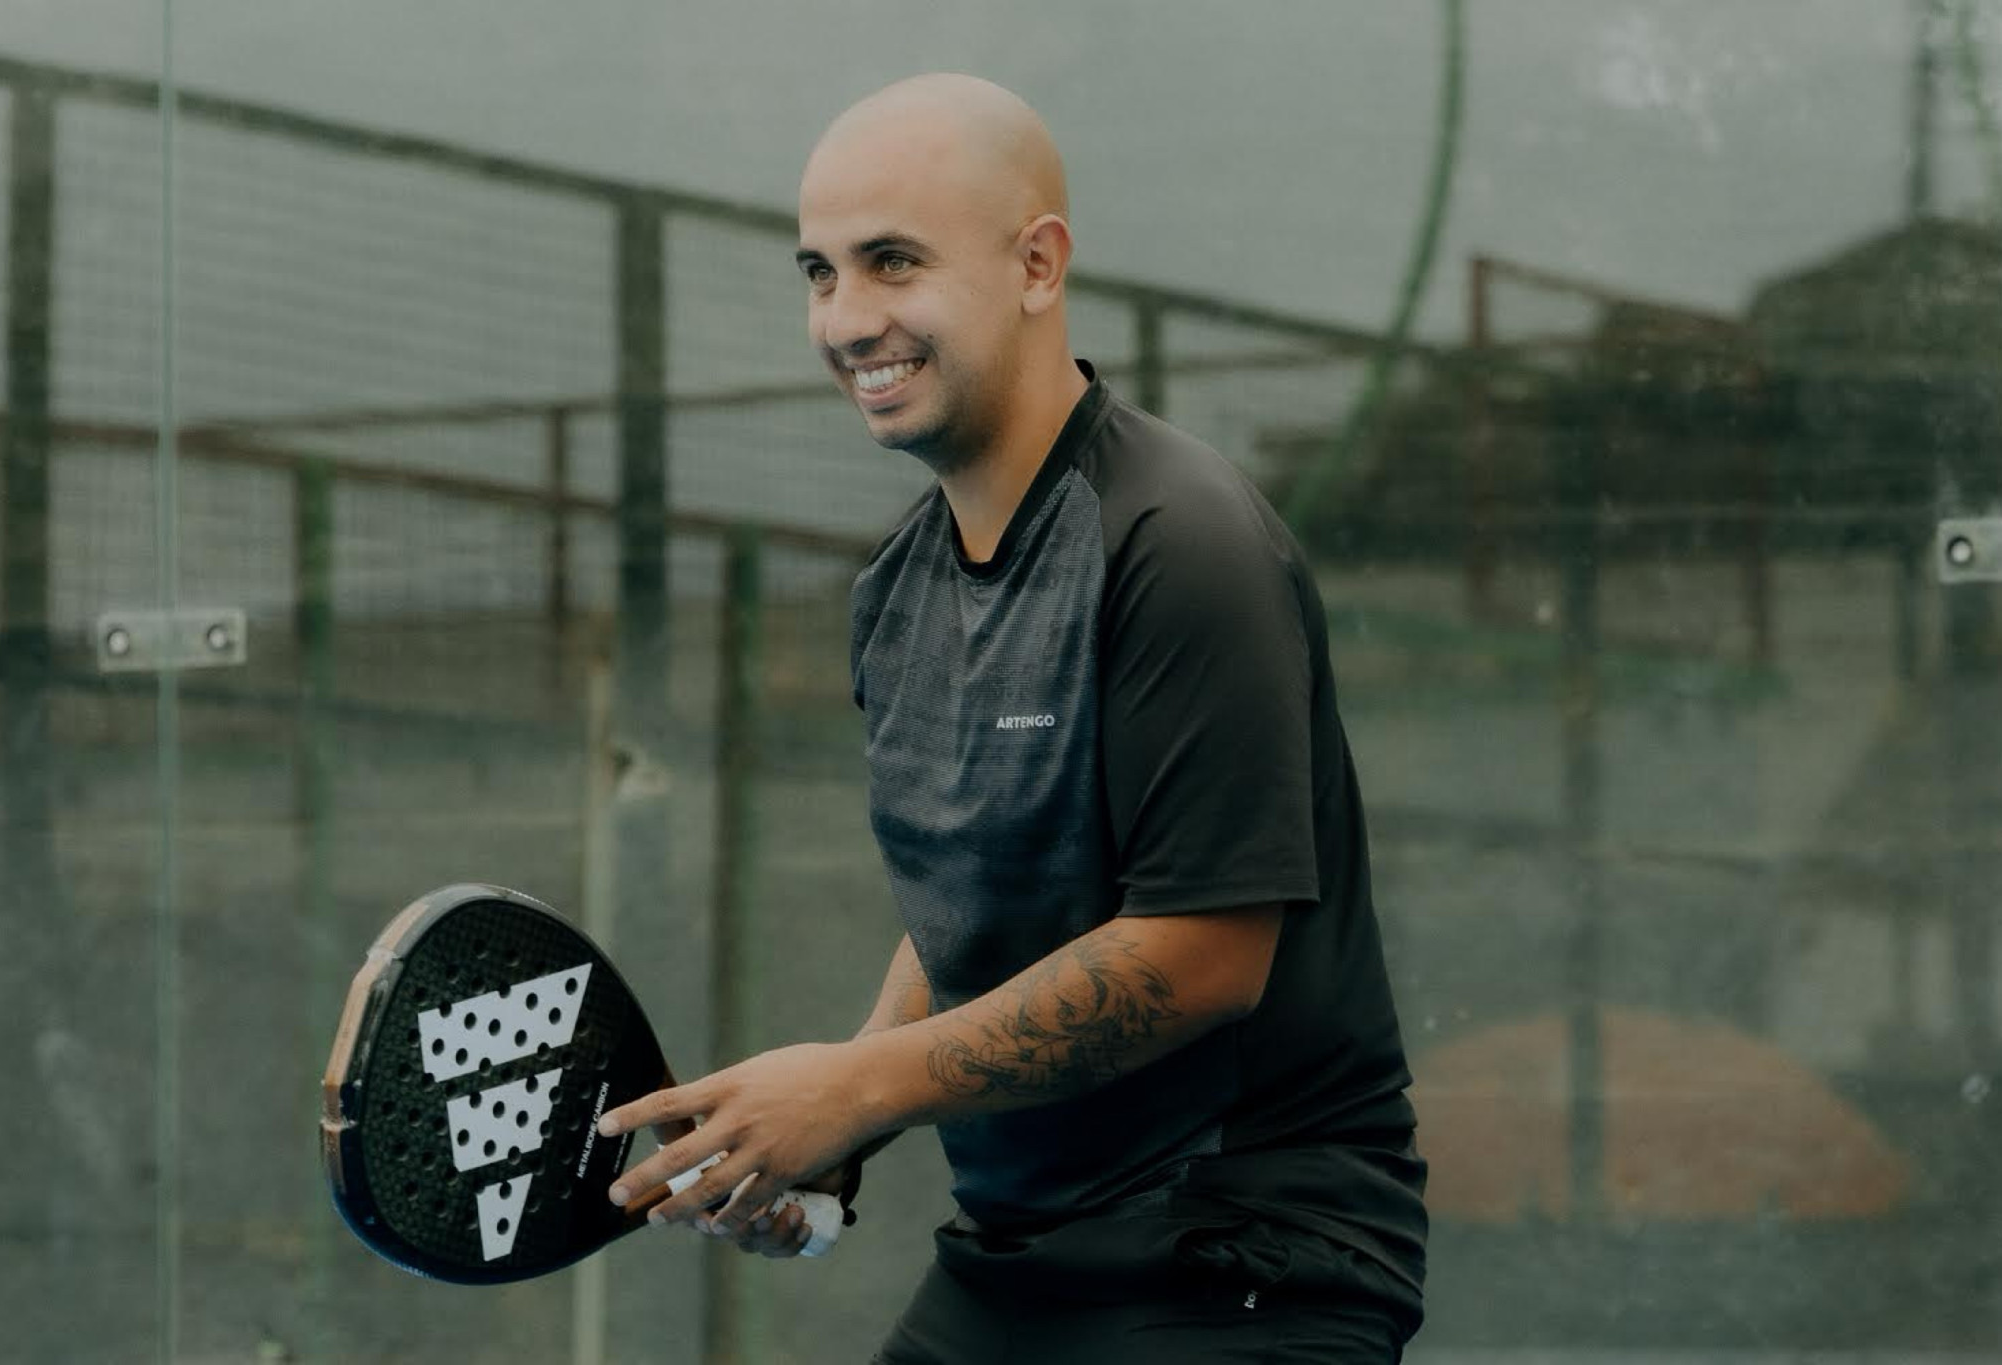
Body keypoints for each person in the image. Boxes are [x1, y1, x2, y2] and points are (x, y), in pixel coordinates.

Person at [596, 72, 1428, 1363]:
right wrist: (838, 1134)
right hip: (1016, 1259)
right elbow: (977, 904)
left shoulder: (1183, 542)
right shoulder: (897, 595)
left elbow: (1204, 952)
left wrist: (853, 1087)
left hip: (1244, 1258)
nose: (847, 319)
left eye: (893, 262)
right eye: (819, 272)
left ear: (1038, 265)